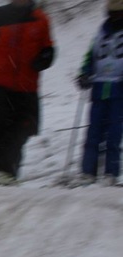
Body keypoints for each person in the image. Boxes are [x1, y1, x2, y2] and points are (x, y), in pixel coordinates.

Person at [0, 0, 54, 185]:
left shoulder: (40, 18)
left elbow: (47, 46)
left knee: (21, 131)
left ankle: (9, 172)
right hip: (1, 85)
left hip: (27, 88)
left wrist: (47, 56)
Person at [75, 0, 123, 187]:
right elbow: (90, 56)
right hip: (100, 88)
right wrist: (84, 73)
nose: (116, 17)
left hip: (119, 90)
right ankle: (88, 171)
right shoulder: (100, 34)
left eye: (119, 13)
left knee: (114, 133)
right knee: (93, 132)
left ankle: (111, 173)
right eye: (113, 13)